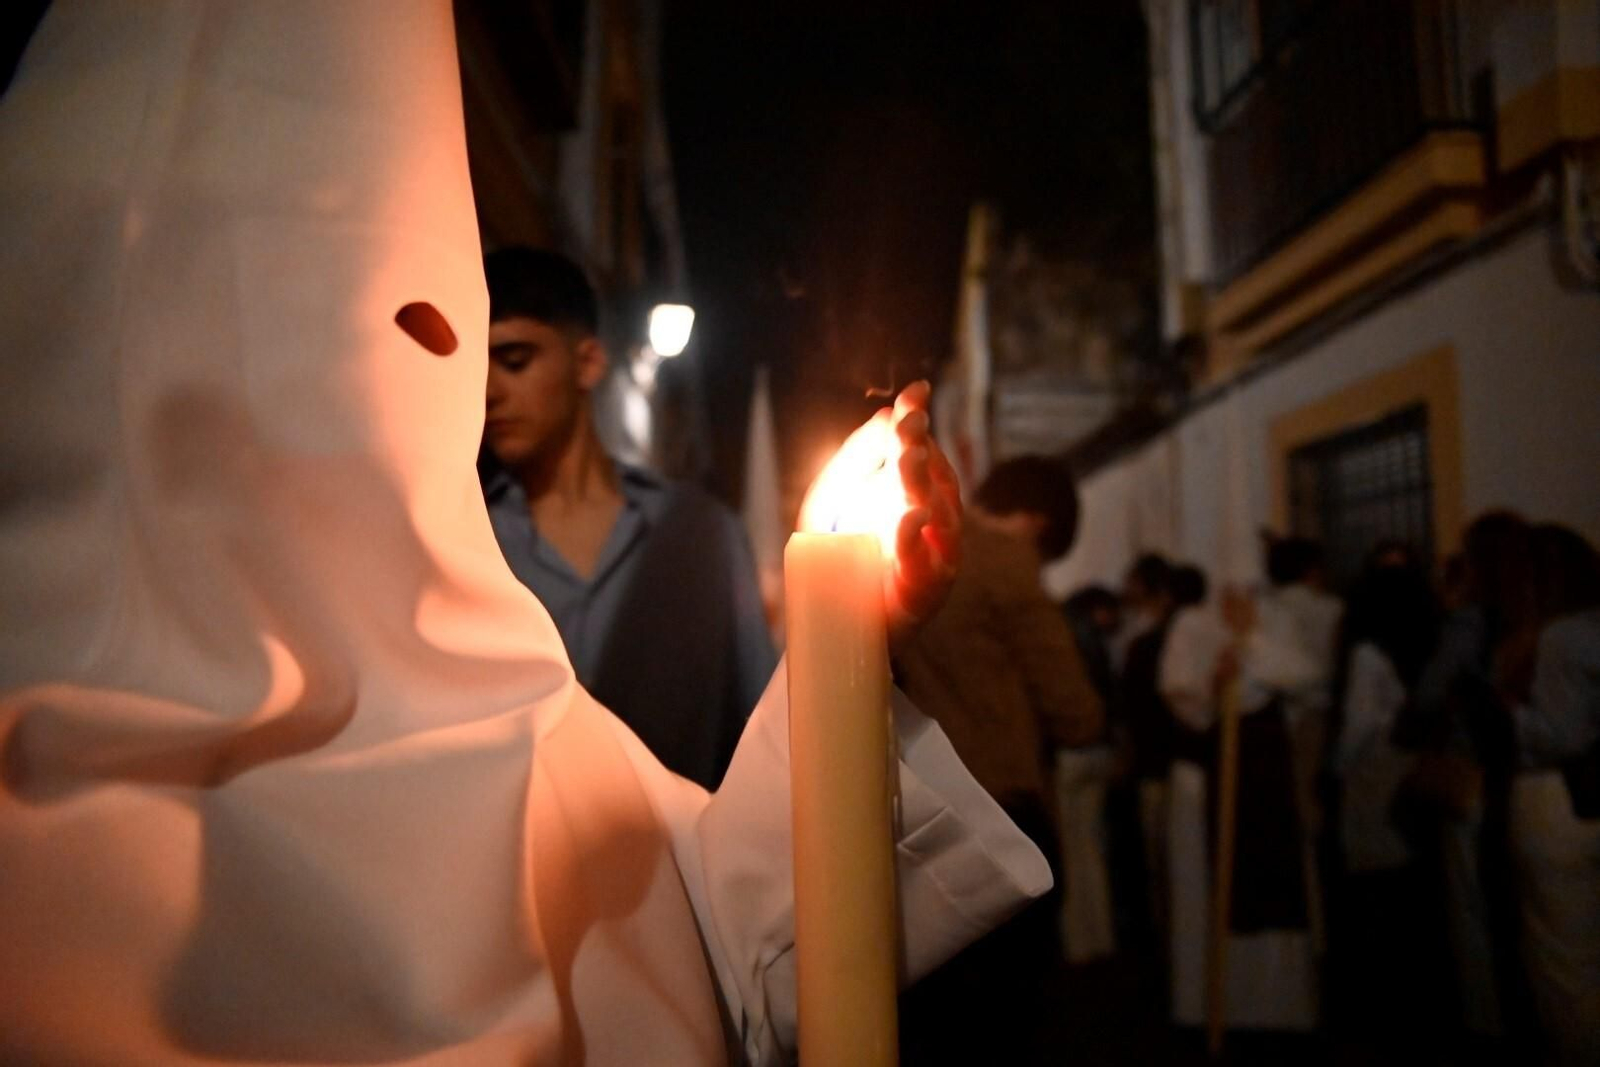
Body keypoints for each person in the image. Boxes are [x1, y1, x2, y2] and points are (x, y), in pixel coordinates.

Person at [0, 5, 1053, 1064]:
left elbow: (708, 932)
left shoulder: (504, 648)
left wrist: (851, 635)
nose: (448, 371)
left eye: (444, 323)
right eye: (334, 315)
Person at [479, 247, 774, 790]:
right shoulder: (468, 541)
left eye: (515, 360)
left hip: (686, 859)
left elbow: (760, 729)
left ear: (587, 363)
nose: (490, 391)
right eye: (478, 366)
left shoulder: (701, 534)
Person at [894, 455, 1104, 1063]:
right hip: (1002, 808)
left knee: (935, 1016)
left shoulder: (917, 544)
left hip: (921, 805)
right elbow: (1072, 706)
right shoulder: (1007, 563)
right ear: (1040, 523)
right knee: (1005, 1020)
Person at [1160, 574, 1323, 1030]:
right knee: (1207, 893)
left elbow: (1308, 677)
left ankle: (1277, 1009)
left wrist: (1252, 643)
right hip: (1204, 782)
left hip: (1267, 779)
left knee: (1270, 883)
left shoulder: (1277, 619)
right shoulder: (1191, 624)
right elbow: (1181, 696)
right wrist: (1214, 685)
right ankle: (1209, 1007)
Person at [1325, 552, 1447, 1053]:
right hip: (1413, 773)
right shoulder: (1426, 641)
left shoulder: (1367, 651)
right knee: (1413, 895)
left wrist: (1334, 768)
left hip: (1374, 777)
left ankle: (1380, 1015)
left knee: (1375, 895)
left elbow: (1359, 724)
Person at [1503, 525, 1600, 1066]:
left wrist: (1505, 716)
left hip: (1558, 800)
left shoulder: (1558, 637)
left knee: (1568, 971)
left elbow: (1558, 734)